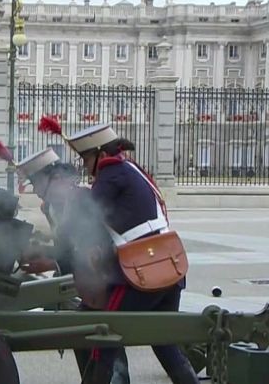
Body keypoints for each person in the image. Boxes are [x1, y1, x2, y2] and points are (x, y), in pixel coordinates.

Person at [53, 122, 198, 384]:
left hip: (140, 272)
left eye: (87, 159)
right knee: (164, 342)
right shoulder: (130, 168)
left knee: (104, 335)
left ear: (101, 155)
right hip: (169, 265)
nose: (85, 166)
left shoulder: (110, 173)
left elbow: (90, 216)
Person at [11, 147, 131, 384]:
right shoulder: (53, 207)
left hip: (106, 281)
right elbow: (64, 247)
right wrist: (40, 252)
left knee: (108, 345)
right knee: (82, 339)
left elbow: (94, 244)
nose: (35, 191)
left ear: (58, 180)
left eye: (37, 184)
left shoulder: (85, 200)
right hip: (84, 286)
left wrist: (51, 261)